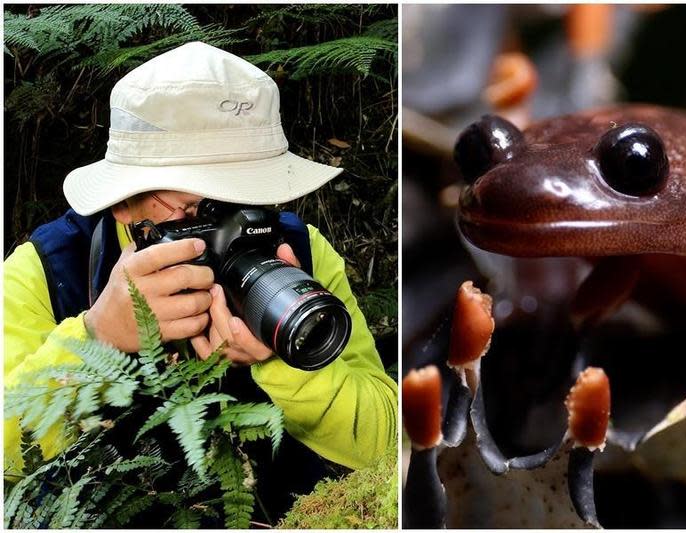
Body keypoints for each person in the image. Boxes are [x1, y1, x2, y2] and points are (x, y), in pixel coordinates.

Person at [4, 42, 398, 482]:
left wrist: (285, 361)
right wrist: (97, 338)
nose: (235, 228)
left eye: (249, 201)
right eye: (197, 213)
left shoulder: (298, 251)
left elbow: (389, 442)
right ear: (123, 203)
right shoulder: (48, 271)